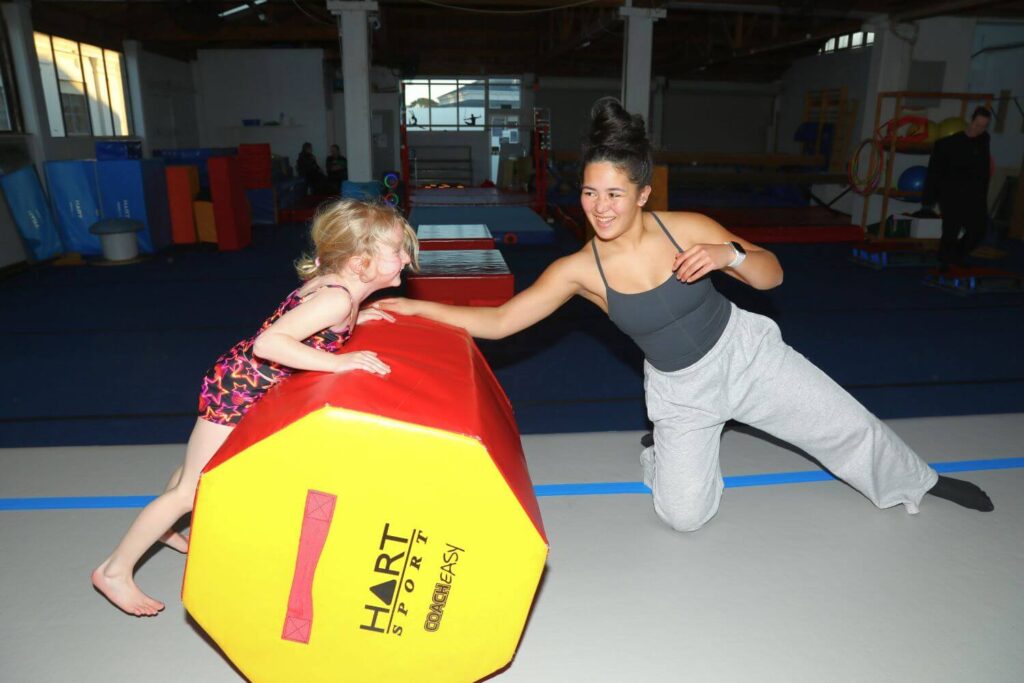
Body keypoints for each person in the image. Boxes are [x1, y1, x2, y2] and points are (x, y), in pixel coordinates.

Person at [379, 97, 993, 534]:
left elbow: (772, 273)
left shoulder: (689, 229)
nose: (599, 206)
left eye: (615, 193)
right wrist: (409, 305)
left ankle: (918, 482)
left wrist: (730, 254)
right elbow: (502, 321)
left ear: (644, 194)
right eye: (590, 192)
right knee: (684, 518)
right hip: (682, 390)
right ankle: (661, 457)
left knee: (842, 423)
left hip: (748, 356)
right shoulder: (579, 271)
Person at [92, 199, 418, 616]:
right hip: (238, 393)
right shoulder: (335, 301)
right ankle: (114, 570)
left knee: (196, 469)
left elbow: (313, 315)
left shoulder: (338, 292)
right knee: (192, 489)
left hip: (240, 384)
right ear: (360, 263)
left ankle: (166, 522)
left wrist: (359, 317)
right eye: (397, 250)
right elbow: (270, 344)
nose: (406, 257)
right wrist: (339, 360)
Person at [922, 107, 992, 268]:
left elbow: (984, 170)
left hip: (973, 194)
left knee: (979, 229)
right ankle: (944, 262)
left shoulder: (984, 140)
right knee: (951, 229)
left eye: (983, 126)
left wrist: (982, 194)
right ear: (971, 120)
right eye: (977, 124)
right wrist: (930, 198)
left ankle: (955, 255)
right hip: (951, 193)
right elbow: (935, 171)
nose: (979, 129)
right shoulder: (948, 144)